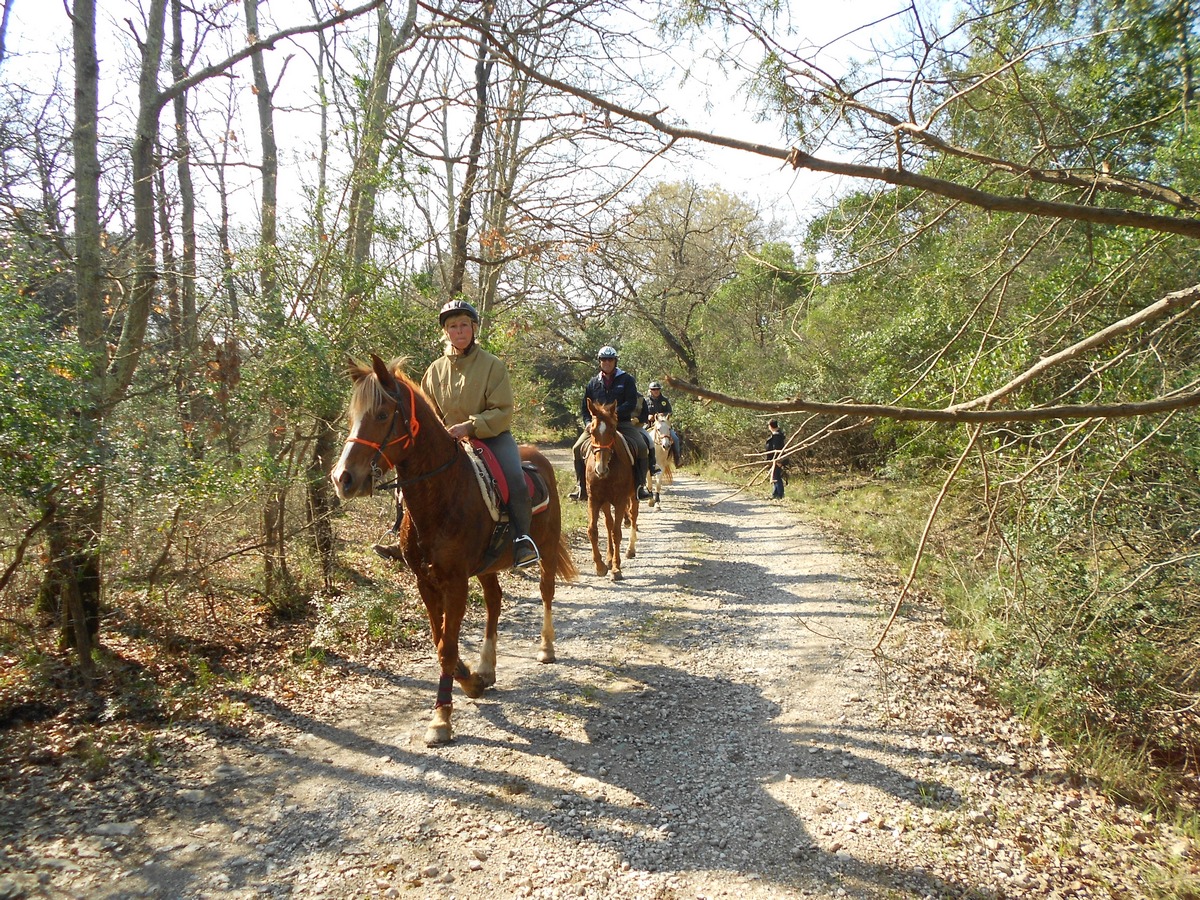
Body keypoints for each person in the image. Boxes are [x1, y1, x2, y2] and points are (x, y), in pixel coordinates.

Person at [421, 299, 540, 569]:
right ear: (446, 332)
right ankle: (400, 532)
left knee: (516, 481)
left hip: (491, 436)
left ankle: (522, 540)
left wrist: (469, 426)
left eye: (464, 325)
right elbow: (429, 415)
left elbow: (502, 411)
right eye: (453, 326)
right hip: (448, 442)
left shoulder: (492, 366)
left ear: (474, 328)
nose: (459, 331)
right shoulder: (433, 371)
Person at [570, 346, 655, 502]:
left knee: (642, 447)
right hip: (598, 427)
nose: (607, 362)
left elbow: (631, 403)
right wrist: (588, 422)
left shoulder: (627, 380)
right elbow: (584, 407)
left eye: (610, 359)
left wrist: (613, 415)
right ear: (599, 362)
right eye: (603, 360)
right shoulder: (593, 383)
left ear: (615, 361)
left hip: (621, 423)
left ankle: (640, 486)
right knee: (576, 448)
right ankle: (581, 487)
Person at [644, 381, 681, 466]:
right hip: (649, 425)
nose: (656, 391)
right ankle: (639, 461)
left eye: (657, 389)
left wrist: (663, 415)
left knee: (675, 438)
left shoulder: (664, 400)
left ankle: (677, 459)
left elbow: (670, 412)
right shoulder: (645, 401)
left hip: (663, 425)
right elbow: (641, 413)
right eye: (654, 389)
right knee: (639, 437)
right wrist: (648, 416)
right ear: (650, 390)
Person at [765, 418, 786, 500]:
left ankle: (780, 495)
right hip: (775, 459)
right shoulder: (777, 435)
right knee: (775, 476)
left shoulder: (777, 436)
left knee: (776, 477)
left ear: (770, 426)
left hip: (776, 460)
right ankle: (775, 494)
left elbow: (776, 449)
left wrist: (777, 460)